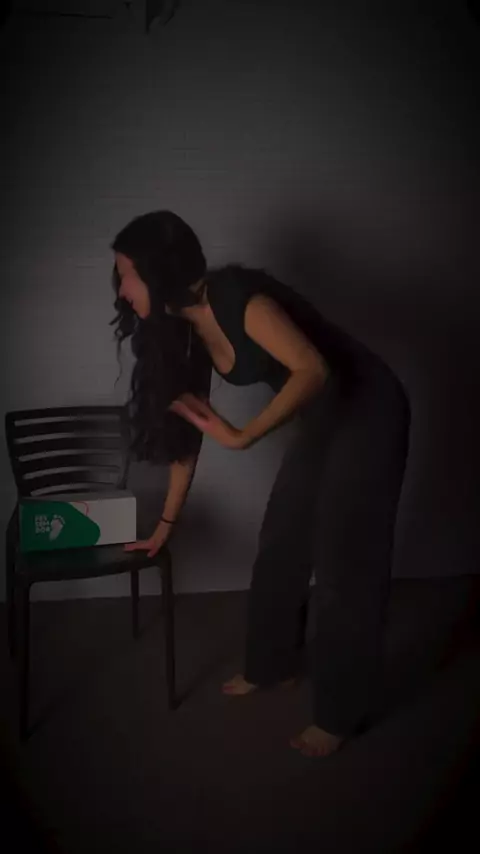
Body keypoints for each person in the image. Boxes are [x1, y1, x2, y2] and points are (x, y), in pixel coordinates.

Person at [110, 210, 411, 757]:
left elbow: (312, 369)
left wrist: (245, 435)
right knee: (281, 541)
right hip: (324, 417)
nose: (121, 290)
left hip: (369, 408)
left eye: (126, 274)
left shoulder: (237, 297)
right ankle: (273, 665)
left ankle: (339, 715)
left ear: (157, 270)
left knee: (344, 561)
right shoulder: (183, 330)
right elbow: (192, 432)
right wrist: (165, 525)